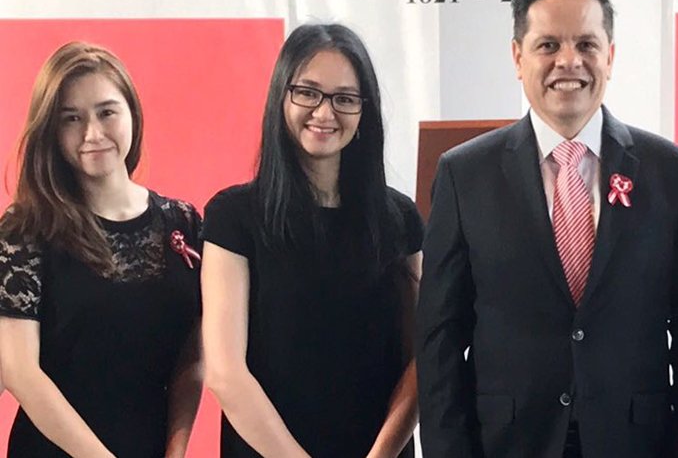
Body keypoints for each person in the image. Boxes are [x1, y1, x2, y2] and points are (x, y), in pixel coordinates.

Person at [416, 0, 678, 458]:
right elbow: (439, 341)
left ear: (610, 56)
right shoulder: (464, 174)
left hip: (635, 442)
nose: (568, 61)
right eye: (548, 45)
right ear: (517, 57)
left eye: (586, 44)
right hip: (507, 443)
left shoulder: (672, 173)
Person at [201, 23, 423, 457]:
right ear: (281, 97)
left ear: (364, 111)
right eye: (308, 93)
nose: (324, 112)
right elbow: (226, 374)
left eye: (345, 98)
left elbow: (421, 360)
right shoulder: (233, 217)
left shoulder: (399, 219)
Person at [0, 41, 203, 457]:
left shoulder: (183, 222)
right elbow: (20, 372)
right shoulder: (25, 229)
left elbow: (191, 359)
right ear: (51, 130)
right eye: (71, 118)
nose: (92, 133)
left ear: (132, 113)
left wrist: (177, 450)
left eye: (106, 112)